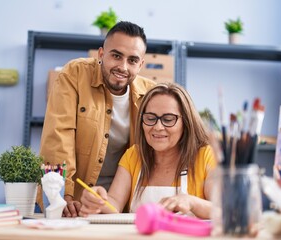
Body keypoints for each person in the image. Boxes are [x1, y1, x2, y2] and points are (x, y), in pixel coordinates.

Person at [39, 21, 156, 217]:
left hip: (118, 206)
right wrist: (63, 195)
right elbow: (58, 137)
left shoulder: (150, 94)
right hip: (71, 202)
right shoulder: (74, 74)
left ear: (141, 64)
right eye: (116, 55)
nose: (123, 67)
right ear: (101, 54)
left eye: (132, 60)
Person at [79, 83, 216, 219]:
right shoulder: (134, 155)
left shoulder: (205, 156)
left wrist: (191, 202)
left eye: (168, 119)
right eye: (150, 118)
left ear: (186, 122)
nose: (158, 127)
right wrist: (97, 201)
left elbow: (223, 210)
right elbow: (114, 203)